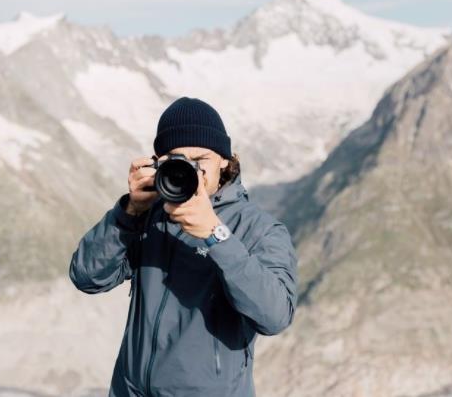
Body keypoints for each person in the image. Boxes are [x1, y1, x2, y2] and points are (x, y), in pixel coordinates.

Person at [69, 96, 298, 397]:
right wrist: (127, 213)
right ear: (159, 164)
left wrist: (216, 236)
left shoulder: (259, 229)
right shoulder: (148, 215)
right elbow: (87, 276)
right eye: (178, 160)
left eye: (201, 161)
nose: (191, 171)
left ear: (225, 161)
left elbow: (275, 315)